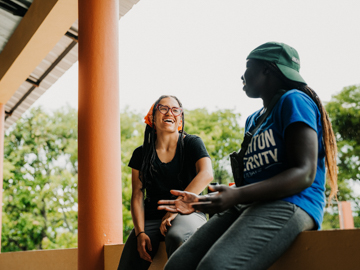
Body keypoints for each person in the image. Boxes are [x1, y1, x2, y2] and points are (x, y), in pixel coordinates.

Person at [158, 42, 338, 270]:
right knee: (178, 265)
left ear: (267, 69)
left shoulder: (294, 100)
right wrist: (205, 202)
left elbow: (304, 174)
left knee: (215, 267)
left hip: (293, 202)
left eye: (247, 67)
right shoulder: (254, 120)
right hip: (249, 204)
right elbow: (253, 182)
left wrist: (236, 195)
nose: (242, 75)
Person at [117, 95, 213, 270]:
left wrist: (176, 207)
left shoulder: (192, 143)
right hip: (152, 217)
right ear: (152, 117)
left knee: (177, 237)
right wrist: (140, 233)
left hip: (188, 212)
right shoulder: (141, 154)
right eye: (164, 108)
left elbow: (206, 174)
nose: (170, 113)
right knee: (129, 260)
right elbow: (137, 194)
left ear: (180, 118)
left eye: (175, 110)